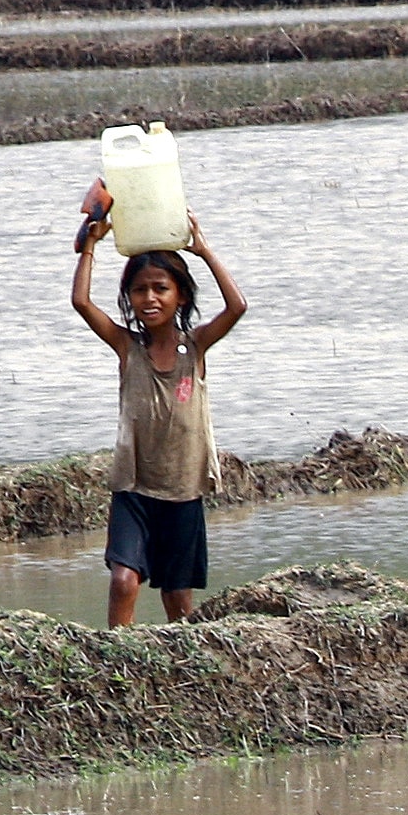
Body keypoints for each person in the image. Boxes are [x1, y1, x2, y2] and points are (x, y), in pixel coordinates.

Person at [70, 190, 246, 626]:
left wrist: (202, 249)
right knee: (124, 580)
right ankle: (118, 655)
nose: (150, 299)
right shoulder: (127, 347)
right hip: (135, 489)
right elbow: (81, 303)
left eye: (161, 289)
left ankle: (182, 659)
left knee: (178, 598)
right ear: (129, 298)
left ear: (180, 297)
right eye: (140, 290)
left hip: (183, 492)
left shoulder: (196, 347)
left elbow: (237, 306)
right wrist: (90, 245)